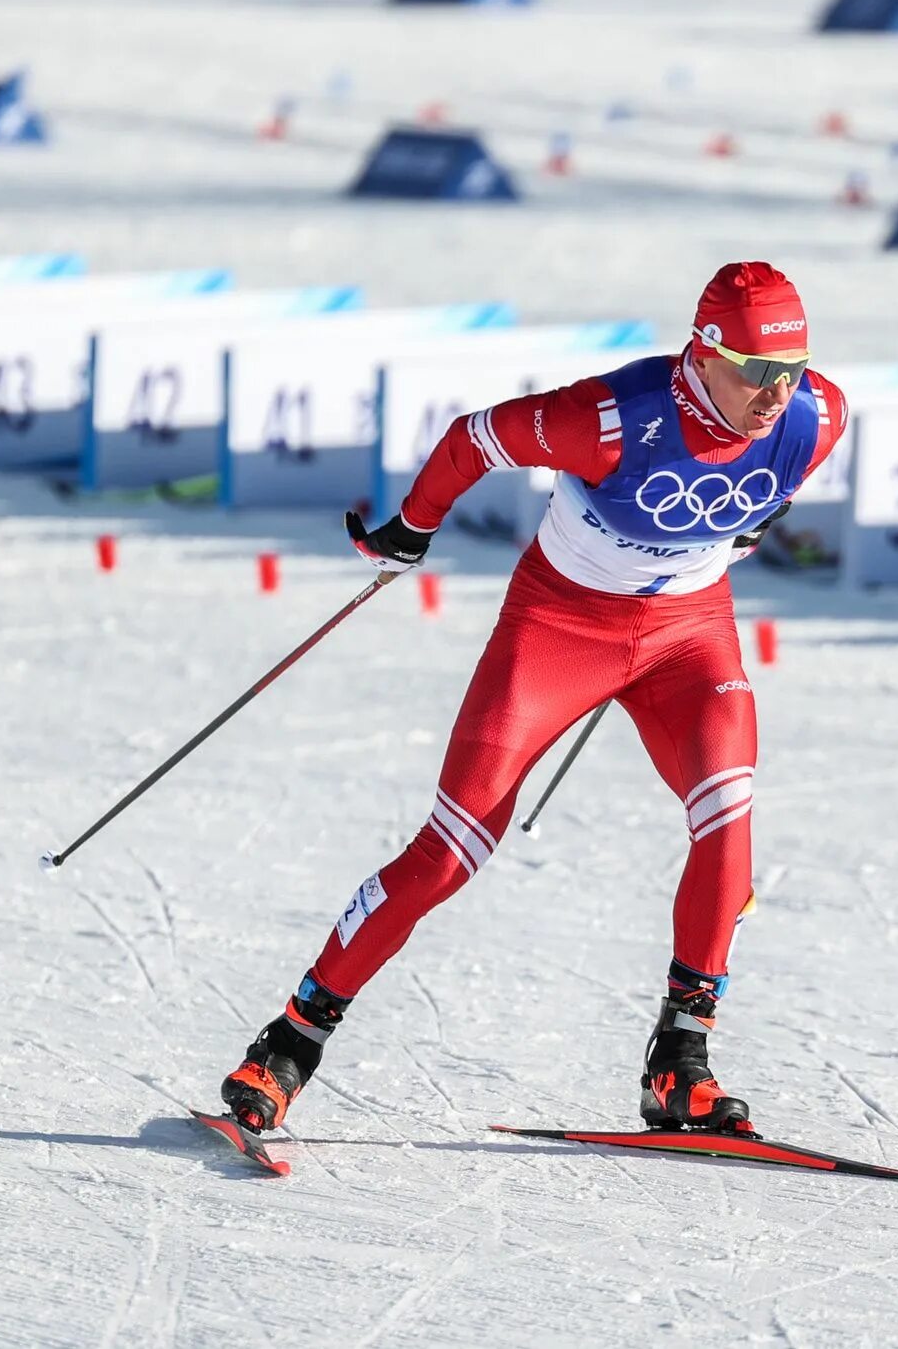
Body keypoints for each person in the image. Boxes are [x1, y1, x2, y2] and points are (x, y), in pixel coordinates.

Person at [219, 262, 846, 1137]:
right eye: (754, 369)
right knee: (449, 852)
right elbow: (476, 437)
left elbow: (760, 496)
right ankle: (290, 1042)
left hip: (690, 638)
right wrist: (413, 524)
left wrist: (745, 524)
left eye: (791, 368)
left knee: (730, 823)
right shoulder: (611, 419)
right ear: (703, 353)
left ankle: (680, 1062)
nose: (777, 392)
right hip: (560, 630)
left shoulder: (819, 415)